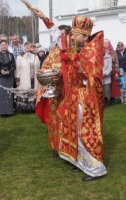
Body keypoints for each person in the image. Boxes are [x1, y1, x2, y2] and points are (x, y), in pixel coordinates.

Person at [34, 9, 107, 181]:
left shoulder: (92, 51)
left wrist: (78, 66)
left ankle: (96, 168)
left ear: (84, 35)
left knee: (86, 133)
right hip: (74, 97)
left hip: (86, 99)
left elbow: (92, 77)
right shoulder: (77, 48)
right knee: (74, 133)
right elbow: (58, 37)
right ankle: (81, 163)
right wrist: (44, 18)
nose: (72, 37)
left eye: (75, 35)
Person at [35, 24, 71, 157]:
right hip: (54, 93)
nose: (58, 38)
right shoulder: (54, 51)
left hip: (67, 93)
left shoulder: (71, 51)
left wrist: (61, 74)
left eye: (61, 35)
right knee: (55, 120)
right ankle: (58, 146)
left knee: (66, 120)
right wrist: (43, 73)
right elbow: (46, 66)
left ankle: (68, 148)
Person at [0, 39, 16, 117]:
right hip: (0, 77)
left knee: (9, 93)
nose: (3, 46)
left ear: (7, 46)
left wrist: (9, 71)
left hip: (9, 76)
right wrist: (0, 71)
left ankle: (9, 111)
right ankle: (2, 112)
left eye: (5, 45)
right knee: (1, 94)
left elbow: (14, 66)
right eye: (2, 45)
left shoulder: (11, 55)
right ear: (0, 46)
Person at [15, 42, 40, 113]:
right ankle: (24, 109)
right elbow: (17, 69)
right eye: (25, 46)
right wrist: (17, 79)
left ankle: (32, 108)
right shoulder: (20, 57)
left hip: (33, 77)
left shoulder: (35, 56)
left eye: (28, 46)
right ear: (23, 47)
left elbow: (38, 67)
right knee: (24, 92)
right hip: (24, 77)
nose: (27, 47)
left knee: (32, 92)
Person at [104, 39, 120, 106]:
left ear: (109, 44)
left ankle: (112, 100)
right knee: (105, 86)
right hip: (105, 70)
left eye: (106, 43)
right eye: (104, 43)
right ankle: (105, 101)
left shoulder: (113, 52)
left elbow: (116, 62)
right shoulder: (101, 51)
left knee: (113, 86)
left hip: (113, 70)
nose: (105, 45)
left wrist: (117, 72)